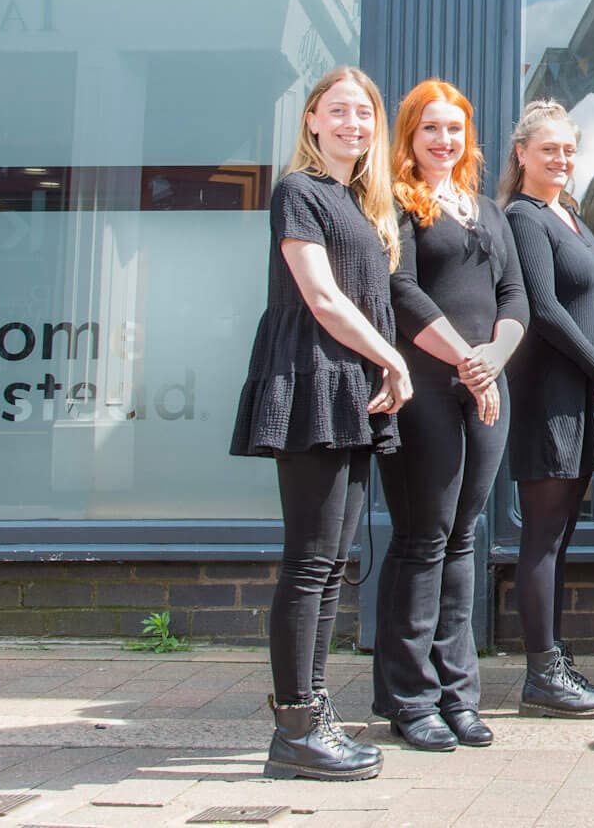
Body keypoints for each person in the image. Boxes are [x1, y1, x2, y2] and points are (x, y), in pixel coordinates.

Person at [230, 66, 408, 782]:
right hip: (313, 383)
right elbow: (323, 298)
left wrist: (382, 367)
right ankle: (296, 728)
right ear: (310, 120)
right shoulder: (298, 191)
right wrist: (394, 359)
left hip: (349, 389)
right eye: (338, 111)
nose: (353, 124)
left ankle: (314, 710)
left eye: (364, 113)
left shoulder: (358, 202)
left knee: (333, 562)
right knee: (310, 561)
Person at [370, 80, 526, 753]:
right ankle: (411, 698)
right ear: (409, 134)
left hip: (485, 386)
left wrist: (493, 358)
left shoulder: (487, 209)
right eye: (430, 128)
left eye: (455, 129)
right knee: (422, 540)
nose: (444, 140)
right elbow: (399, 290)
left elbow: (515, 293)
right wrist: (468, 361)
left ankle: (459, 694)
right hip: (426, 387)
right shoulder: (395, 202)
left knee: (464, 537)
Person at [503, 100, 594, 718]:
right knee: (544, 540)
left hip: (585, 397)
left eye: (568, 150)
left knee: (561, 536)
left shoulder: (569, 216)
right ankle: (542, 675)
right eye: (548, 149)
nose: (561, 159)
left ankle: (551, 657)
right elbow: (545, 310)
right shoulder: (525, 217)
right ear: (521, 154)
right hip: (551, 398)